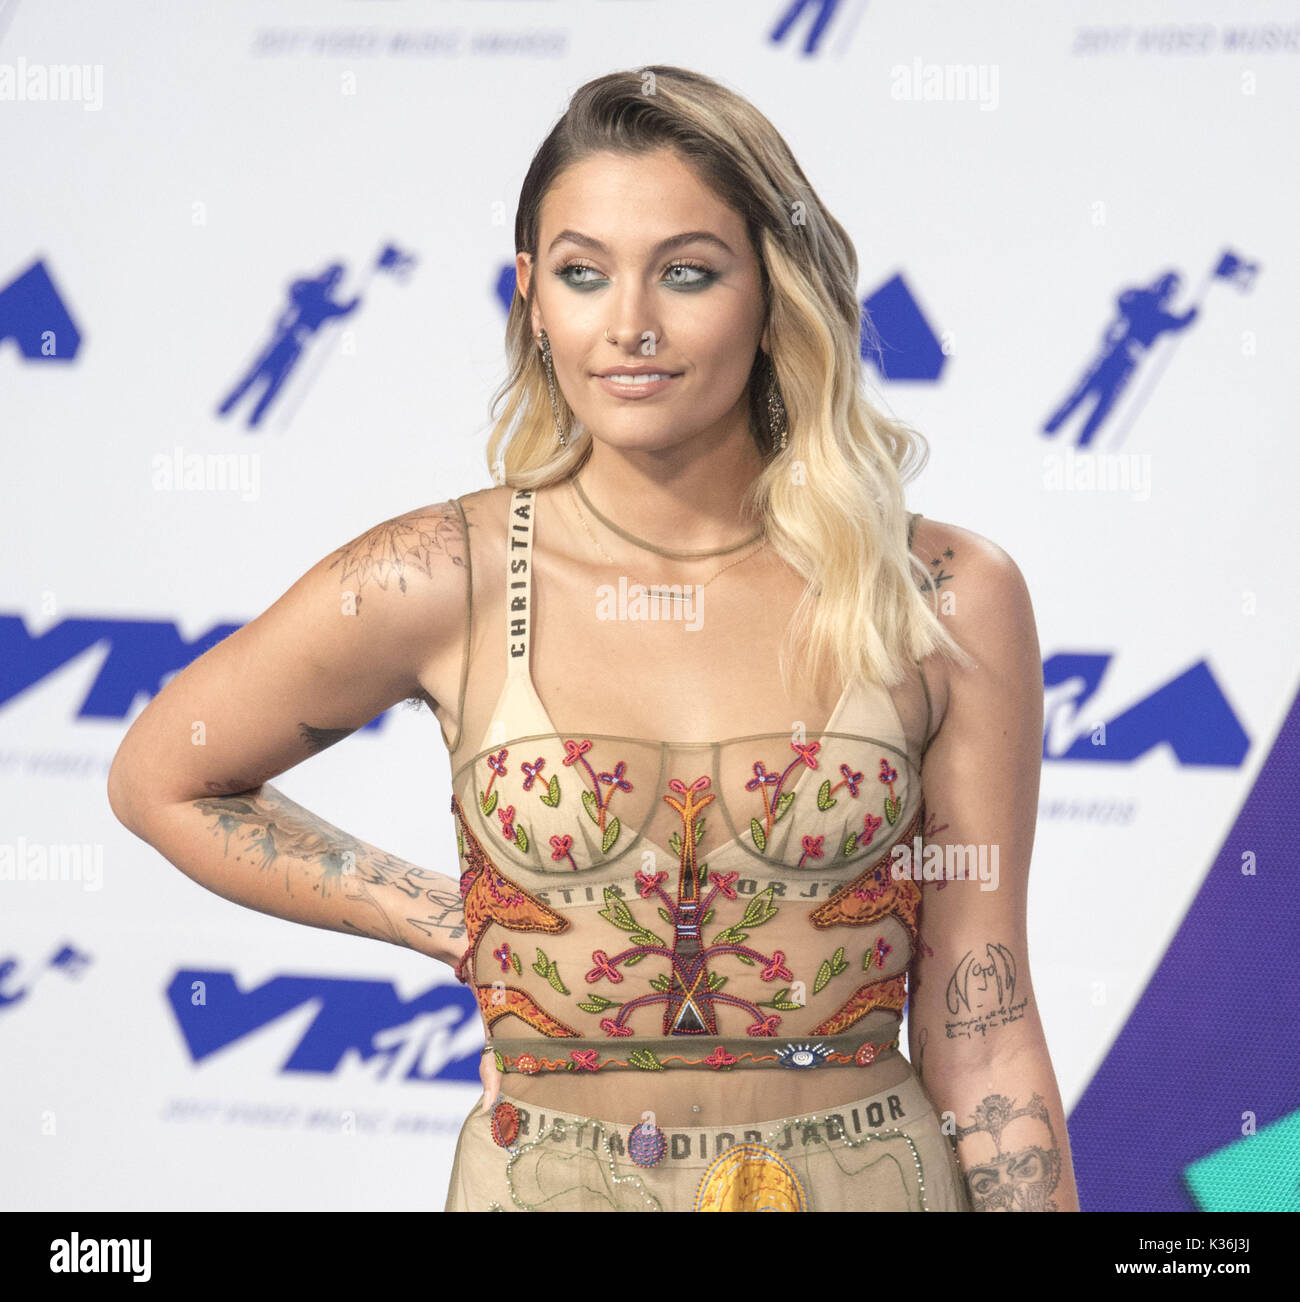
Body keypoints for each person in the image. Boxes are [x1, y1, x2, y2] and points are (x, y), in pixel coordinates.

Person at [108, 65, 1079, 1212]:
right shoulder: (440, 576)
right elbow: (165, 777)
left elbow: (985, 1019)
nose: (629, 326)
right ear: (530, 294)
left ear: (772, 292)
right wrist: (441, 914)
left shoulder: (942, 591)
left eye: (686, 273)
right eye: (582, 273)